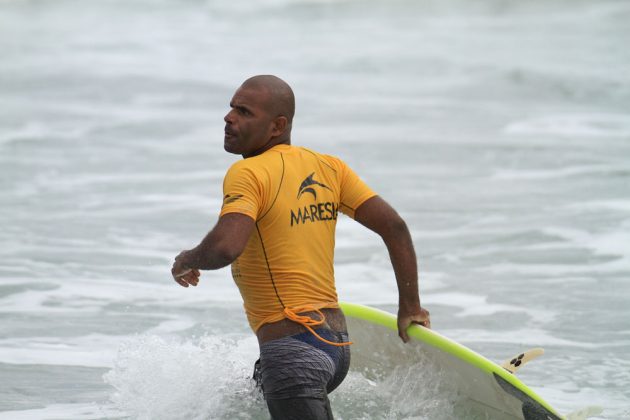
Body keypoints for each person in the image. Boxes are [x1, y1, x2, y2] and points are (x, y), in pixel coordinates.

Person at [171, 75, 430, 420]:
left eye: (244, 112)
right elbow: (394, 227)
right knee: (241, 404)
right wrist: (410, 307)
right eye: (231, 107)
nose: (229, 117)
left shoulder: (248, 173)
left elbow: (226, 247)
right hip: (335, 346)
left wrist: (186, 260)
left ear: (277, 126)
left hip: (293, 354)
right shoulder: (329, 168)